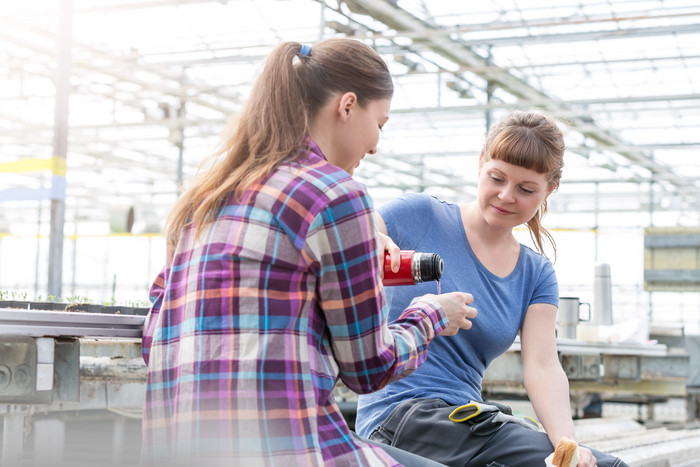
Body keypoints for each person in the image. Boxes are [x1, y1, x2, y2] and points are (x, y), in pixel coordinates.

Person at [140, 38, 476, 467]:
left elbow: (157, 326)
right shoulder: (336, 196)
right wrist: (431, 314)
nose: (375, 146)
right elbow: (370, 368)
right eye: (381, 123)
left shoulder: (202, 201)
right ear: (348, 106)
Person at [356, 112, 628, 467]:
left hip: (467, 423)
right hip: (398, 418)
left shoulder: (536, 273)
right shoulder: (422, 215)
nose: (505, 196)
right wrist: (372, 239)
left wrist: (567, 445)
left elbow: (543, 365)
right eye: (496, 178)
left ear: (551, 188)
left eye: (526, 189)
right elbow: (363, 229)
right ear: (480, 163)